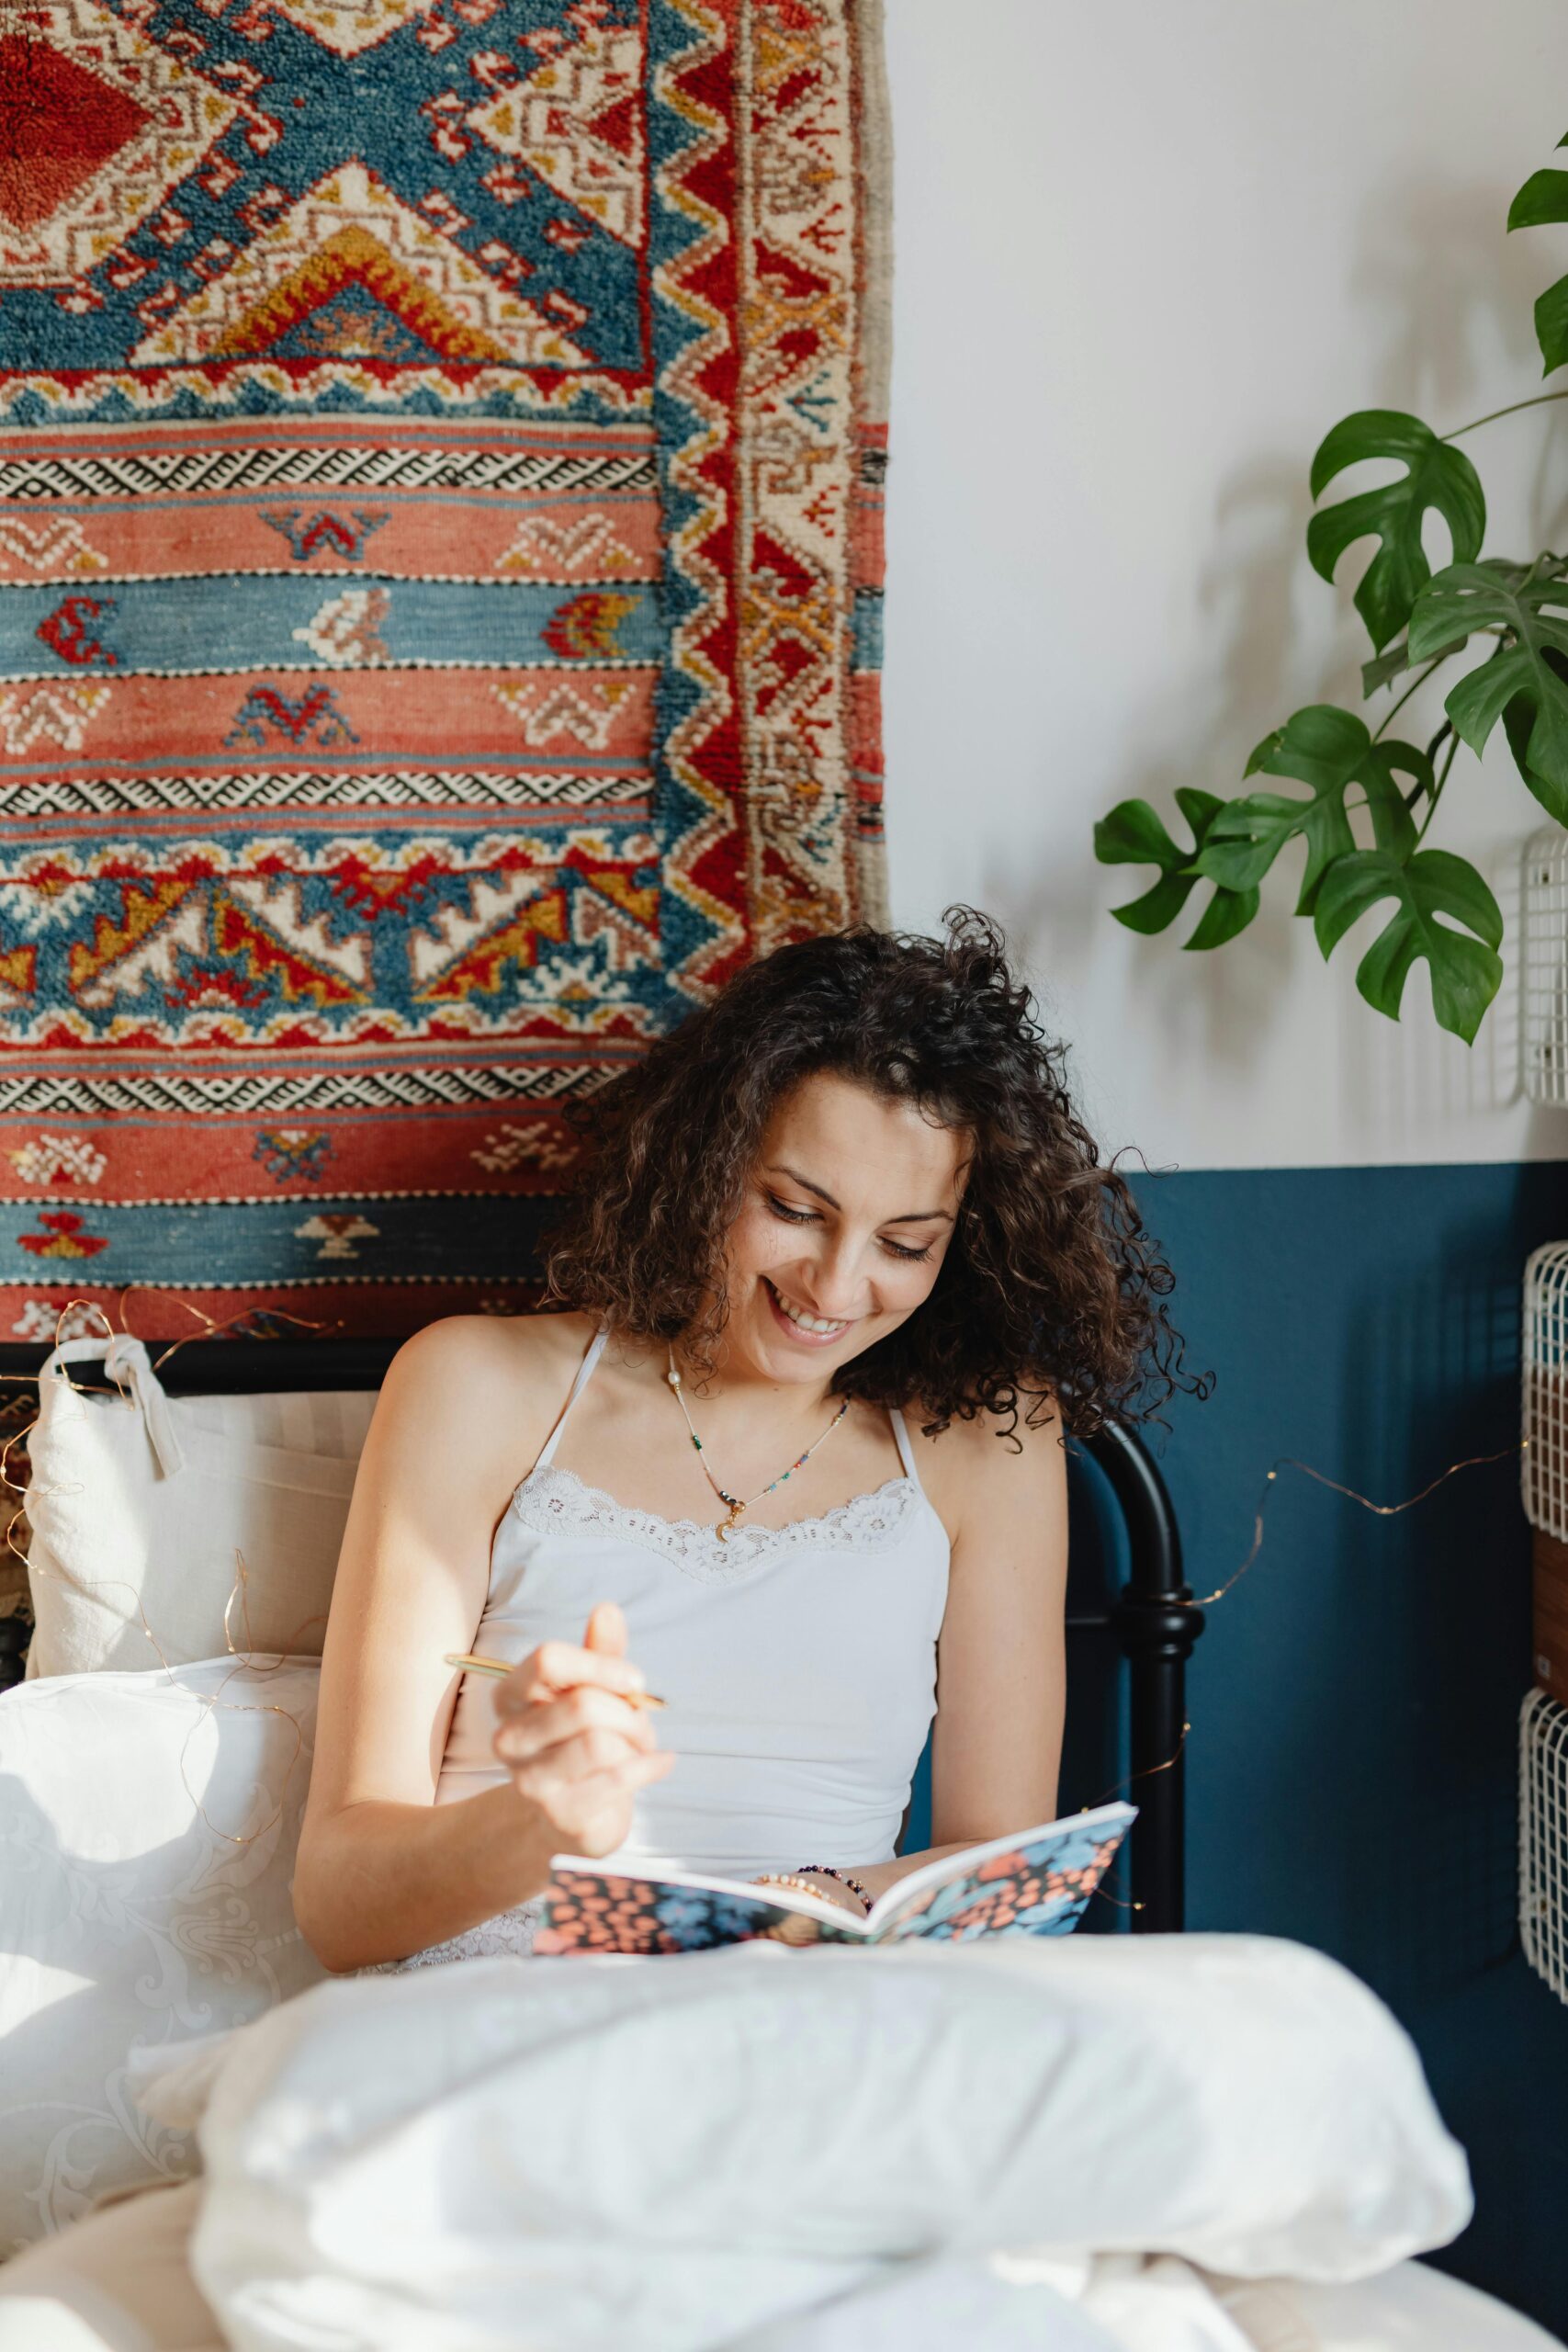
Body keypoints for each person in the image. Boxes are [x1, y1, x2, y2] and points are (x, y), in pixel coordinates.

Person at [0, 908, 1192, 2346]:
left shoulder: (987, 1446)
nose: (835, 1288)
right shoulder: (484, 1388)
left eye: (907, 1242)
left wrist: (833, 1934)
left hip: (811, 2036)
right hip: (507, 2022)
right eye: (797, 1210)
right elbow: (342, 1902)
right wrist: (542, 1823)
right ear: (707, 1160)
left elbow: (994, 1873)